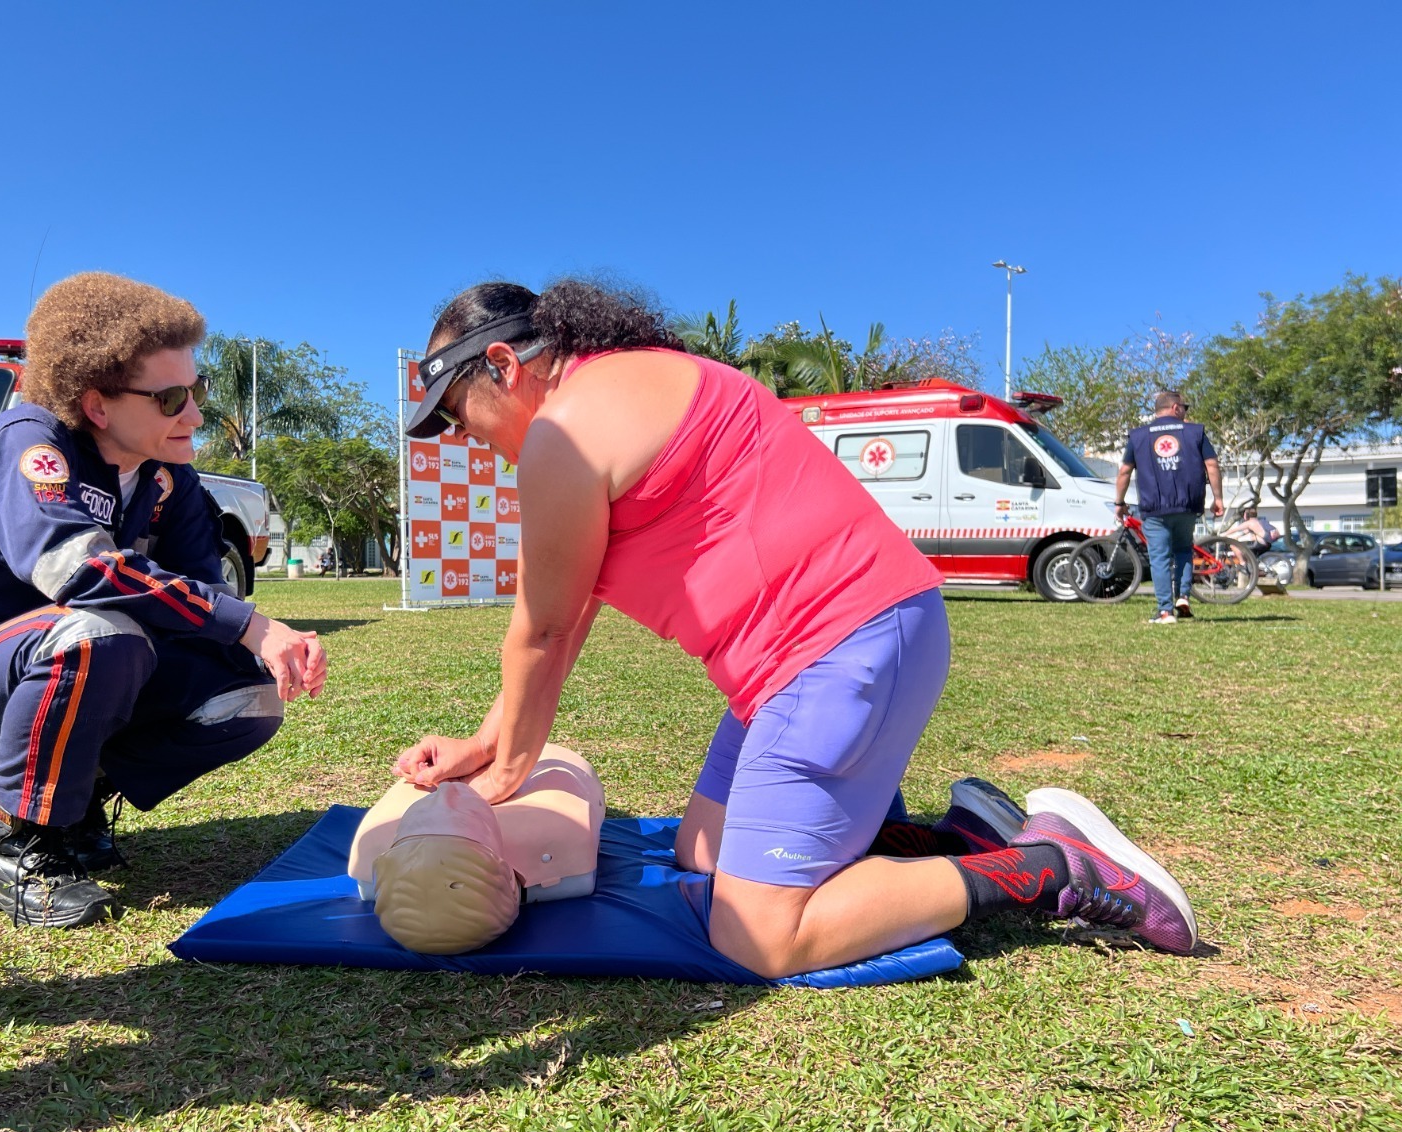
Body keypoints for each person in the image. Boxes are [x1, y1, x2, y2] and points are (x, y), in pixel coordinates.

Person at [392, 280, 1196, 978]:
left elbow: (543, 633)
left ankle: (1050, 866)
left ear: (502, 366)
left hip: (838, 660)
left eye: (463, 417)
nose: (474, 443)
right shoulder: (645, 375)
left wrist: (507, 774)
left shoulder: (563, 435)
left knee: (758, 937)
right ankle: (954, 837)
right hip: (837, 654)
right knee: (700, 853)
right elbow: (563, 620)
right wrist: (487, 743)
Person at [0, 272, 327, 929]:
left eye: (197, 389)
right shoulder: (32, 441)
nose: (196, 415)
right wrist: (248, 621)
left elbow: (200, 592)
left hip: (74, 665)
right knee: (100, 629)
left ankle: (73, 804)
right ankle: (13, 847)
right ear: (97, 406)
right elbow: (78, 569)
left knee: (249, 693)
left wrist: (257, 642)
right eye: (172, 397)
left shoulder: (168, 476)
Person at [1113, 390, 1225, 624]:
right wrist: (1218, 498)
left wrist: (1119, 503)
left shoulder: (1138, 436)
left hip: (1154, 507)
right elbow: (1212, 465)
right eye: (1185, 407)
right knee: (1184, 549)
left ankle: (1165, 611)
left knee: (1160, 557)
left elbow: (1124, 471)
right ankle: (1183, 596)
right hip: (1187, 505)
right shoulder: (1195, 432)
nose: (1186, 412)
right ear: (1175, 408)